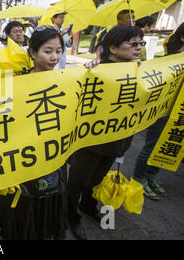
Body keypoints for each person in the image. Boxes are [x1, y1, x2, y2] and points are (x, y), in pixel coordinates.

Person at [0, 27, 68, 240]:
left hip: (53, 156)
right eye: (48, 51)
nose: (54, 57)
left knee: (48, 202)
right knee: (24, 209)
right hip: (23, 158)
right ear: (32, 53)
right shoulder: (14, 82)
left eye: (59, 51)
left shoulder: (67, 80)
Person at [67, 25, 145, 240]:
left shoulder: (139, 70)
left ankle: (88, 205)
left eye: (141, 43)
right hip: (91, 143)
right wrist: (93, 67)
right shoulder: (96, 70)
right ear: (113, 47)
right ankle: (71, 216)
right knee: (78, 182)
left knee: (97, 179)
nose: (139, 48)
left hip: (118, 141)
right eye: (133, 43)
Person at [132, 21, 184, 200]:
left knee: (168, 146)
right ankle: (139, 179)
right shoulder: (168, 61)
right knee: (151, 146)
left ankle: (151, 177)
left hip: (180, 114)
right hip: (162, 112)